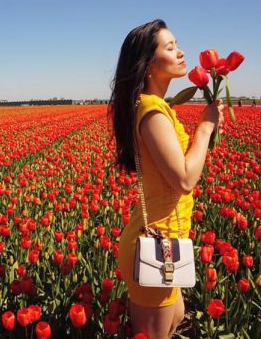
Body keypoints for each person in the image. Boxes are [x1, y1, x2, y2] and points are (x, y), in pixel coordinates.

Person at [108, 19, 224, 339]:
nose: (180, 51)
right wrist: (205, 128)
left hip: (167, 241)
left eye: (177, 44)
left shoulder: (159, 107)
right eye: (170, 47)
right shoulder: (153, 112)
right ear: (147, 64)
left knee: (176, 319)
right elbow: (184, 179)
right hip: (158, 247)